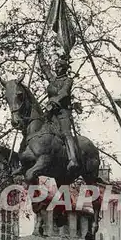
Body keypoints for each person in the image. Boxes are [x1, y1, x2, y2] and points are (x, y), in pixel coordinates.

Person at [37, 45, 79, 173]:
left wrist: (54, 101)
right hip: (50, 113)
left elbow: (64, 93)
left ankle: (73, 159)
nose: (56, 68)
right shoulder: (53, 79)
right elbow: (45, 69)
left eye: (59, 66)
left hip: (63, 113)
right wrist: (39, 54)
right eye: (56, 67)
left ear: (65, 68)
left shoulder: (68, 80)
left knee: (66, 133)